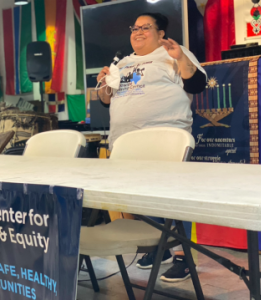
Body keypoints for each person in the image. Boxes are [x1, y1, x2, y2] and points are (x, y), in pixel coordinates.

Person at [96, 12, 207, 282]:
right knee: (142, 200)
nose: (138, 32)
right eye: (134, 27)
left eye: (146, 28)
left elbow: (197, 84)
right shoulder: (122, 62)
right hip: (125, 145)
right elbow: (106, 101)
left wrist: (180, 58)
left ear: (161, 34)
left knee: (173, 199)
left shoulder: (174, 53)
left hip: (165, 142)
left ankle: (183, 256)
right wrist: (103, 84)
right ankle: (161, 249)